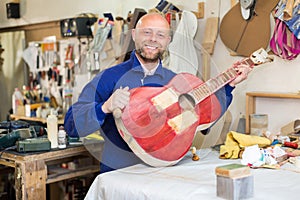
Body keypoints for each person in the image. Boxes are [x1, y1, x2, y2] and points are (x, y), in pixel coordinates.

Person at [64, 12, 251, 173]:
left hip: (164, 173)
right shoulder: (109, 77)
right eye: (147, 32)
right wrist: (104, 107)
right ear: (135, 35)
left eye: (161, 35)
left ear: (168, 41)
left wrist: (229, 86)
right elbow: (72, 124)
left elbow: (204, 118)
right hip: (120, 175)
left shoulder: (176, 82)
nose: (153, 39)